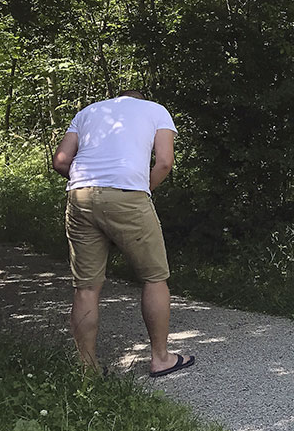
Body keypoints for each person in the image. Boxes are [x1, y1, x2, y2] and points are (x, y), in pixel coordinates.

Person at [51, 89, 195, 377]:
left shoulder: (87, 112)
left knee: (86, 287)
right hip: (128, 194)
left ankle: (87, 369)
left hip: (80, 195)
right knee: (154, 277)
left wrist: (90, 183)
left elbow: (61, 161)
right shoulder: (155, 110)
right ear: (140, 99)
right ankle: (161, 358)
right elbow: (164, 162)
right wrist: (142, 190)